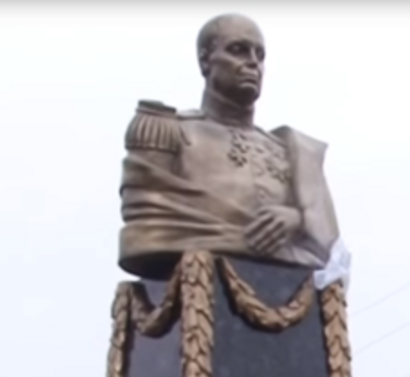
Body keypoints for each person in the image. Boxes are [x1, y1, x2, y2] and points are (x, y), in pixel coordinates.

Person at [117, 14, 341, 280]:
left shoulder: (293, 154)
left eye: (260, 55)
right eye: (238, 50)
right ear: (205, 61)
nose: (253, 63)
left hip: (289, 287)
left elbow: (329, 249)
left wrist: (298, 219)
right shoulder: (169, 131)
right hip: (196, 282)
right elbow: (145, 226)